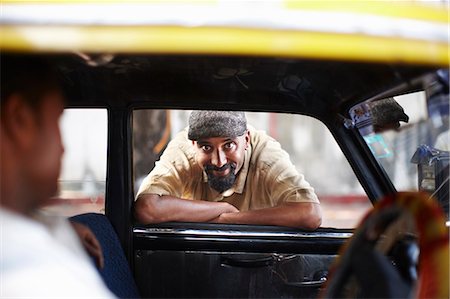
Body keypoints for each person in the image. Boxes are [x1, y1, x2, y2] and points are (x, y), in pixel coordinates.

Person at [0, 54, 115, 297]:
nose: (63, 148)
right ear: (20, 119)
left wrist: (61, 226)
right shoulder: (37, 278)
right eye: (57, 122)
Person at [134, 111, 321, 229]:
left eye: (229, 145)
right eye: (206, 147)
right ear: (193, 144)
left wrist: (230, 219)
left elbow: (309, 214)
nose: (218, 161)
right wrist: (223, 208)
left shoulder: (266, 155)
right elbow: (148, 208)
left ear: (246, 140)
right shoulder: (182, 150)